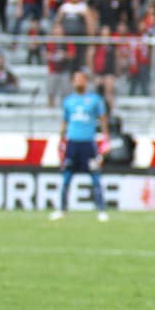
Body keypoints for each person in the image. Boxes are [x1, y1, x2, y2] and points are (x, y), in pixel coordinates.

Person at [51, 70, 110, 221]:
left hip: (88, 144)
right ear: (72, 82)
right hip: (72, 144)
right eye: (76, 79)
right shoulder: (68, 101)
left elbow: (103, 119)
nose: (79, 82)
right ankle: (62, 209)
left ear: (86, 81)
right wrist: (60, 140)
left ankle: (101, 210)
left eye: (81, 79)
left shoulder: (95, 100)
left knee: (95, 177)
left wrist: (105, 138)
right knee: (66, 177)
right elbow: (65, 121)